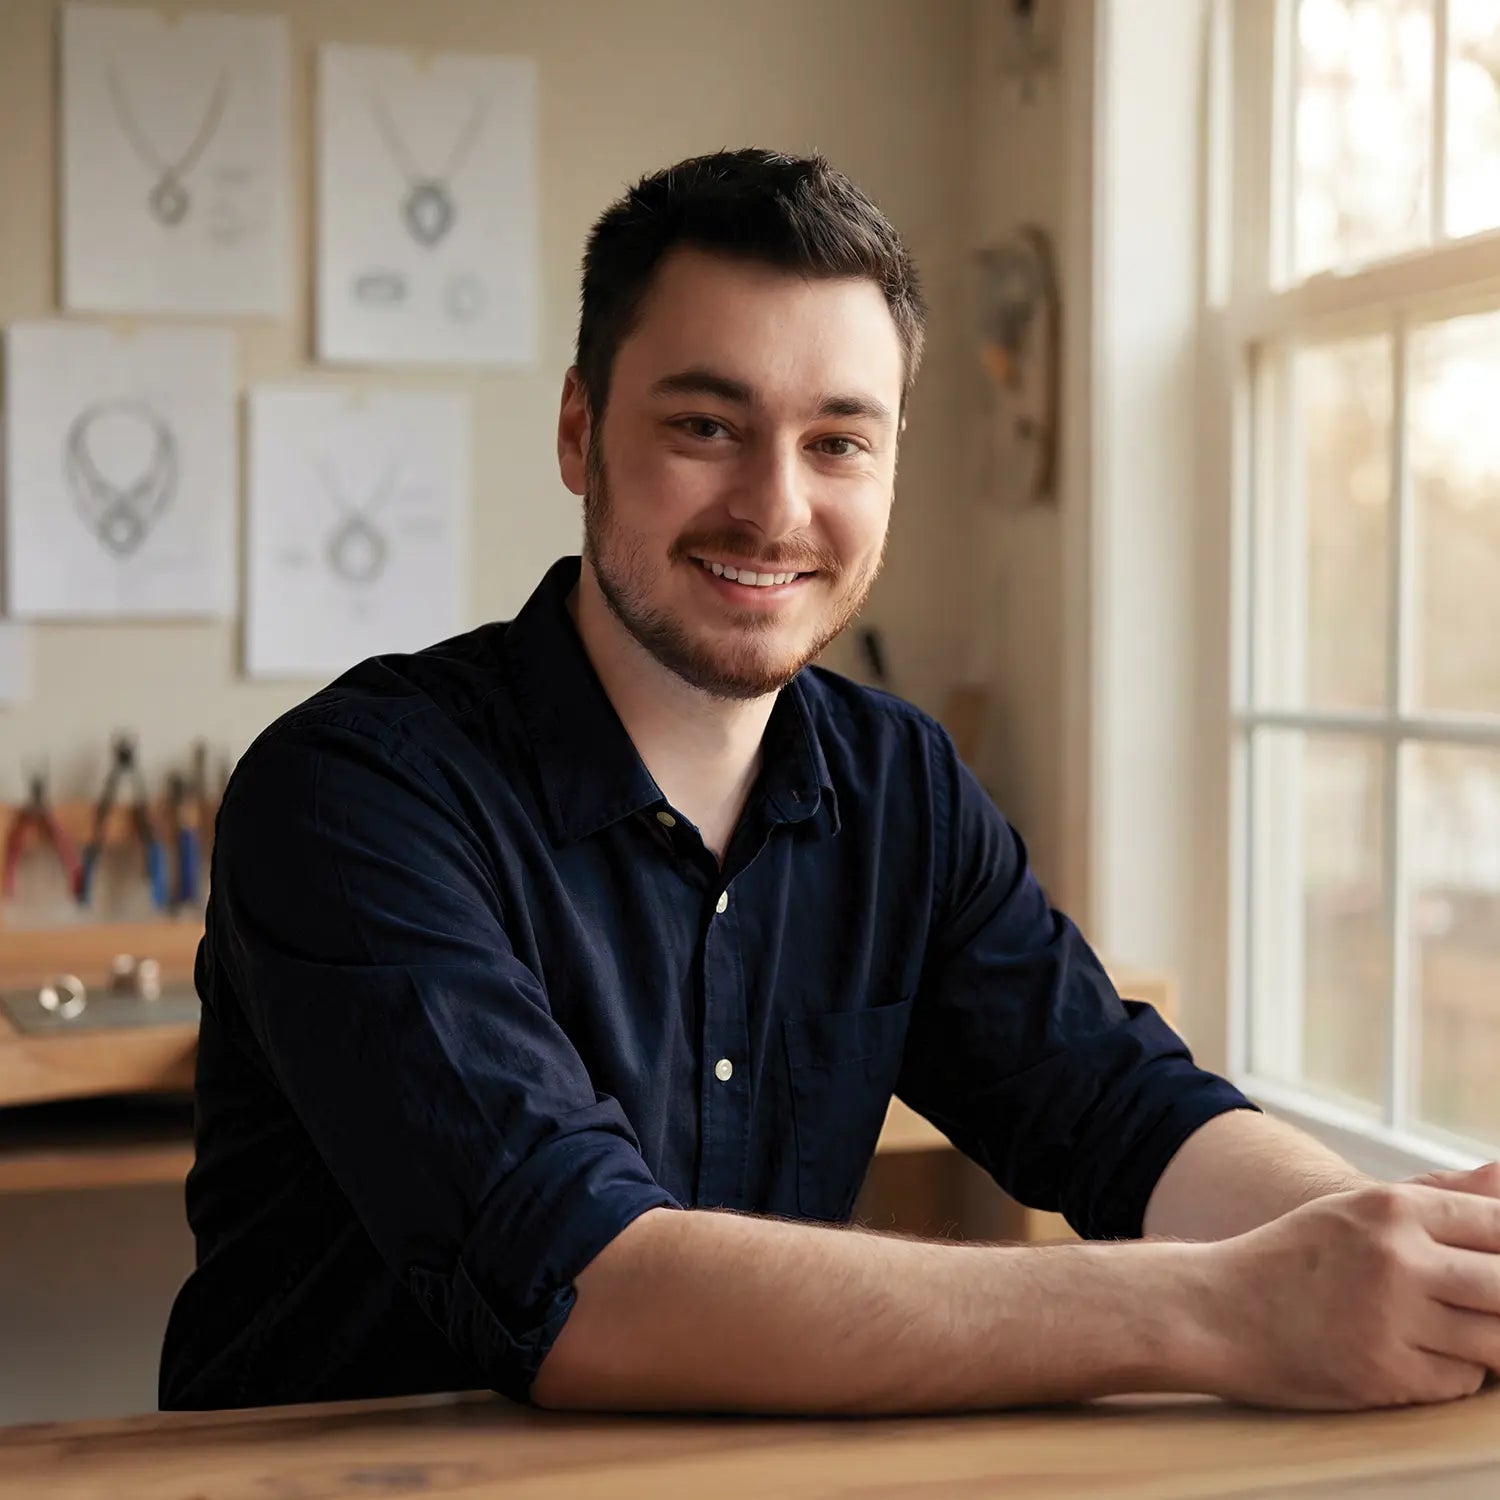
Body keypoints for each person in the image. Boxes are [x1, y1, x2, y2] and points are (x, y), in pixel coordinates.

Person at [160, 148, 1500, 1416]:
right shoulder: (354, 795)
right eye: (705, 423)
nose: (775, 507)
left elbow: (1124, 1114)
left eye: (839, 441)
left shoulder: (899, 781)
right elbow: (586, 1288)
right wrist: (1227, 1311)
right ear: (580, 433)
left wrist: (1405, 1258)